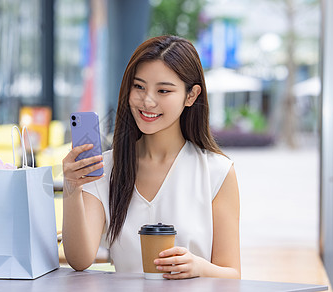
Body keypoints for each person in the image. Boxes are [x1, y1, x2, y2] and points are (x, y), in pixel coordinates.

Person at [62, 35, 240, 279]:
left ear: (191, 95)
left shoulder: (217, 172)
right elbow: (80, 260)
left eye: (163, 90)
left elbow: (233, 274)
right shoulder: (106, 167)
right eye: (139, 87)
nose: (147, 101)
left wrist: (198, 268)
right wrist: (72, 189)